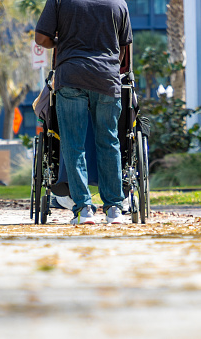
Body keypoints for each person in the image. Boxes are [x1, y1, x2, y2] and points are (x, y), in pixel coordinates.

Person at [35, 0, 132, 224]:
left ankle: (84, 208)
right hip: (106, 77)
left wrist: (63, 41)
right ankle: (114, 208)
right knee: (109, 142)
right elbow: (124, 49)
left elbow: (41, 39)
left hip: (71, 76)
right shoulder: (119, 3)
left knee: (73, 143)